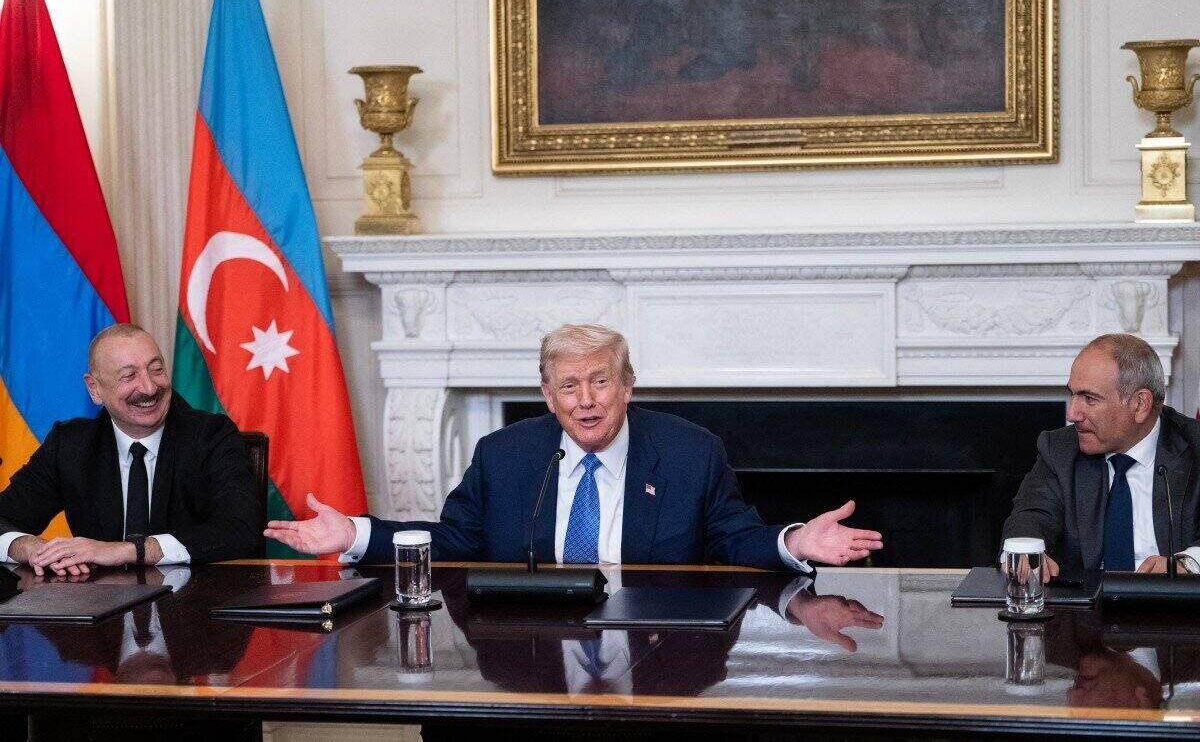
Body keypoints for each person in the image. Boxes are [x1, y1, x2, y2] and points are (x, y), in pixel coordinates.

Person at [266, 323, 882, 570]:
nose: (586, 401)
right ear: (547, 394)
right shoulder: (505, 455)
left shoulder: (690, 453)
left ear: (627, 385)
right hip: (531, 650)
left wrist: (794, 541)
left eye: (600, 381)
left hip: (654, 655)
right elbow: (453, 540)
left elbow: (734, 538)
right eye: (569, 385)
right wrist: (356, 534)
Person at [0, 323, 260, 575]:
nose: (149, 388)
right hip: (100, 608)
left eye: (156, 370)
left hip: (191, 605)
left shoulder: (212, 435)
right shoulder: (69, 445)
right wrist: (34, 549)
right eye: (129, 376)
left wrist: (127, 551)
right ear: (95, 389)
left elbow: (241, 528)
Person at [1002, 333, 1200, 581]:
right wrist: (1025, 551)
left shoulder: (1194, 446)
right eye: (1072, 394)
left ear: (1140, 404)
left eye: (1089, 398)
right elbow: (1030, 515)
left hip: (1172, 611)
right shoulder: (1060, 449)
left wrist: (1189, 563)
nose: (1072, 413)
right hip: (1084, 610)